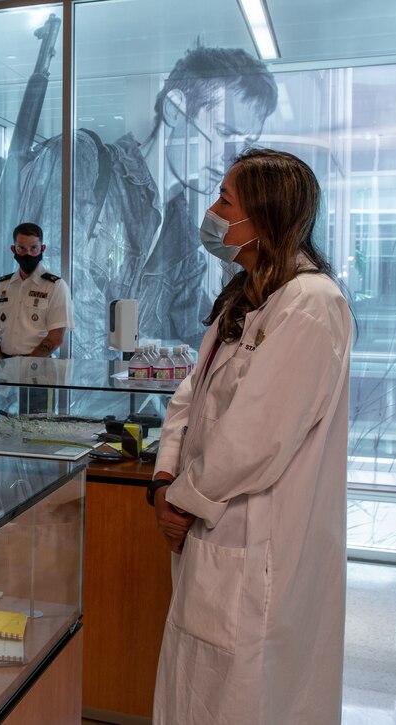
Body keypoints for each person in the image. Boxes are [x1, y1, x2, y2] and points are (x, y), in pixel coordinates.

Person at [146, 148, 352, 724]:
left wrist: (182, 499)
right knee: (199, 691)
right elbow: (192, 391)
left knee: (246, 697)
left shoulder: (311, 305)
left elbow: (255, 438)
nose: (212, 212)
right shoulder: (246, 296)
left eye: (225, 201)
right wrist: (164, 477)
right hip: (210, 528)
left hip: (256, 539)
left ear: (264, 217)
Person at [18, 46, 277, 353]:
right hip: (56, 394)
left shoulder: (184, 242)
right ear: (174, 110)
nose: (228, 159)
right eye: (222, 132)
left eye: (242, 145)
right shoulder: (81, 162)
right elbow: (56, 284)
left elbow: (194, 339)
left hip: (125, 399)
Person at [0, 222, 74, 360]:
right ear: (13, 249)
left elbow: (56, 337)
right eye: (21, 248)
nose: (28, 253)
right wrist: (1, 366)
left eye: (33, 248)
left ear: (42, 248)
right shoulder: (2, 285)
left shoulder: (55, 286)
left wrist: (26, 368)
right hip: (5, 367)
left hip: (40, 368)